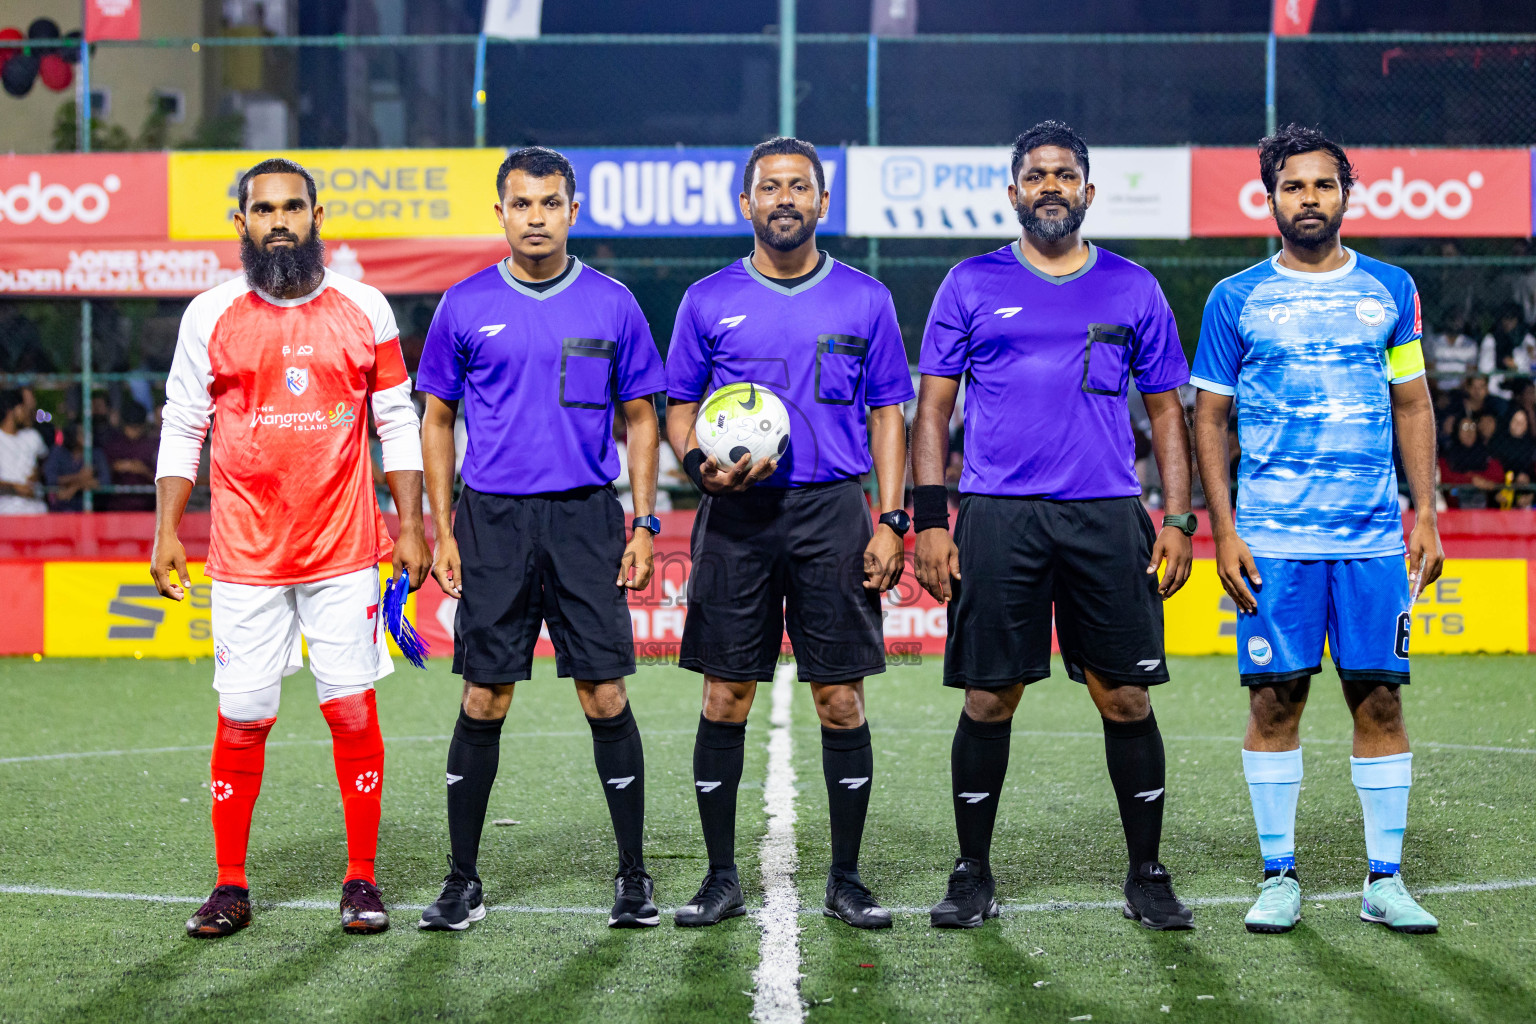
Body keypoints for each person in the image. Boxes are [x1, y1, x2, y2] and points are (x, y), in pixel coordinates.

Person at [911, 120, 1196, 931]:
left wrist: (1177, 517)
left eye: (1064, 174)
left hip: (1107, 513)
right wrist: (933, 521)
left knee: (1127, 699)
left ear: (1087, 191)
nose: (1049, 186)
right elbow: (932, 411)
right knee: (989, 698)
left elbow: (1167, 414)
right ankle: (972, 873)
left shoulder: (1133, 287)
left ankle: (1146, 872)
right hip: (998, 514)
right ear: (1013, 193)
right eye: (1035, 175)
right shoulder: (968, 282)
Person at [152, 157, 429, 939]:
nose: (280, 220)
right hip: (245, 556)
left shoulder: (365, 309)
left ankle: (363, 880)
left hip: (344, 551)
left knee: (350, 711)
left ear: (316, 217)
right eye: (264, 209)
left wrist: (410, 524)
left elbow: (396, 421)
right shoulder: (209, 315)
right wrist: (167, 527)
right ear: (240, 222)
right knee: (244, 715)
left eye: (293, 207)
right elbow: (183, 425)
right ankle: (230, 885)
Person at [1191, 125, 1444, 936]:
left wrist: (1427, 513)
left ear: (1346, 195)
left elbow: (1413, 403)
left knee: (1380, 702)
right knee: (1274, 705)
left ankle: (1385, 880)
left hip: (1371, 539)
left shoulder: (1391, 288)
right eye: (1294, 186)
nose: (1310, 199)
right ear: (1270, 199)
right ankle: (1278, 877)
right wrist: (1223, 530)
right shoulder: (1234, 298)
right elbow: (1210, 419)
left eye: (1323, 186)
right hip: (1273, 541)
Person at [414, 147, 667, 932]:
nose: (535, 218)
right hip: (491, 520)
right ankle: (463, 881)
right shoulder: (462, 304)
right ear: (500, 213)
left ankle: (632, 875)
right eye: (521, 204)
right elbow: (437, 417)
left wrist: (645, 520)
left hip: (587, 518)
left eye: (550, 204)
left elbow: (642, 418)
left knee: (605, 693)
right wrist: (441, 523)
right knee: (484, 695)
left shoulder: (613, 303)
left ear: (572, 212)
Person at [664, 136, 913, 929]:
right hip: (735, 517)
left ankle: (846, 878)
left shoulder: (866, 299)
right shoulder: (706, 300)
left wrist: (893, 517)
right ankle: (720, 877)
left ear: (821, 203)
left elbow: (888, 415)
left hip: (834, 514)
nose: (783, 199)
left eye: (798, 187)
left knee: (840, 700)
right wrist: (697, 462)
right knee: (725, 694)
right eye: (768, 187)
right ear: (746, 204)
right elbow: (676, 406)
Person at [100, 399, 158, 512]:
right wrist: (114, 467)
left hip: (147, 508)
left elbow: (166, 482)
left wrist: (144, 470)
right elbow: (100, 478)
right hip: (117, 508)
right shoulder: (113, 444)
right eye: (130, 427)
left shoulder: (154, 445)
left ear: (143, 425)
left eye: (137, 427)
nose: (133, 431)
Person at [0, 389, 47, 515]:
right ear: (12, 411)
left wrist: (37, 474)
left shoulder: (33, 436)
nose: (27, 412)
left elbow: (44, 465)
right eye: (23, 408)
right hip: (7, 513)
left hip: (36, 510)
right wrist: (16, 488)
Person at [1439, 417, 1504, 508]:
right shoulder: (1447, 454)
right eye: (1465, 427)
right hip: (1455, 502)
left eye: (1472, 427)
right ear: (1457, 430)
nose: (1469, 431)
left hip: (1483, 503)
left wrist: (1480, 480)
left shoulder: (1484, 452)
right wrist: (1471, 480)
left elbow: (1498, 474)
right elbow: (1445, 477)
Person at [43, 421, 108, 512]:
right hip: (61, 508)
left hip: (87, 509)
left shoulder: (96, 454)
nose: (87, 437)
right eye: (82, 434)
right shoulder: (58, 452)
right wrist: (79, 477)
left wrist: (75, 488)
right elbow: (51, 478)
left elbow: (104, 481)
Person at [1491, 408, 1535, 480]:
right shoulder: (1497, 443)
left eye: (1522, 422)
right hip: (1500, 484)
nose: (1518, 424)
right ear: (1509, 422)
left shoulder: (1531, 446)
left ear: (1527, 425)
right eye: (1515, 420)